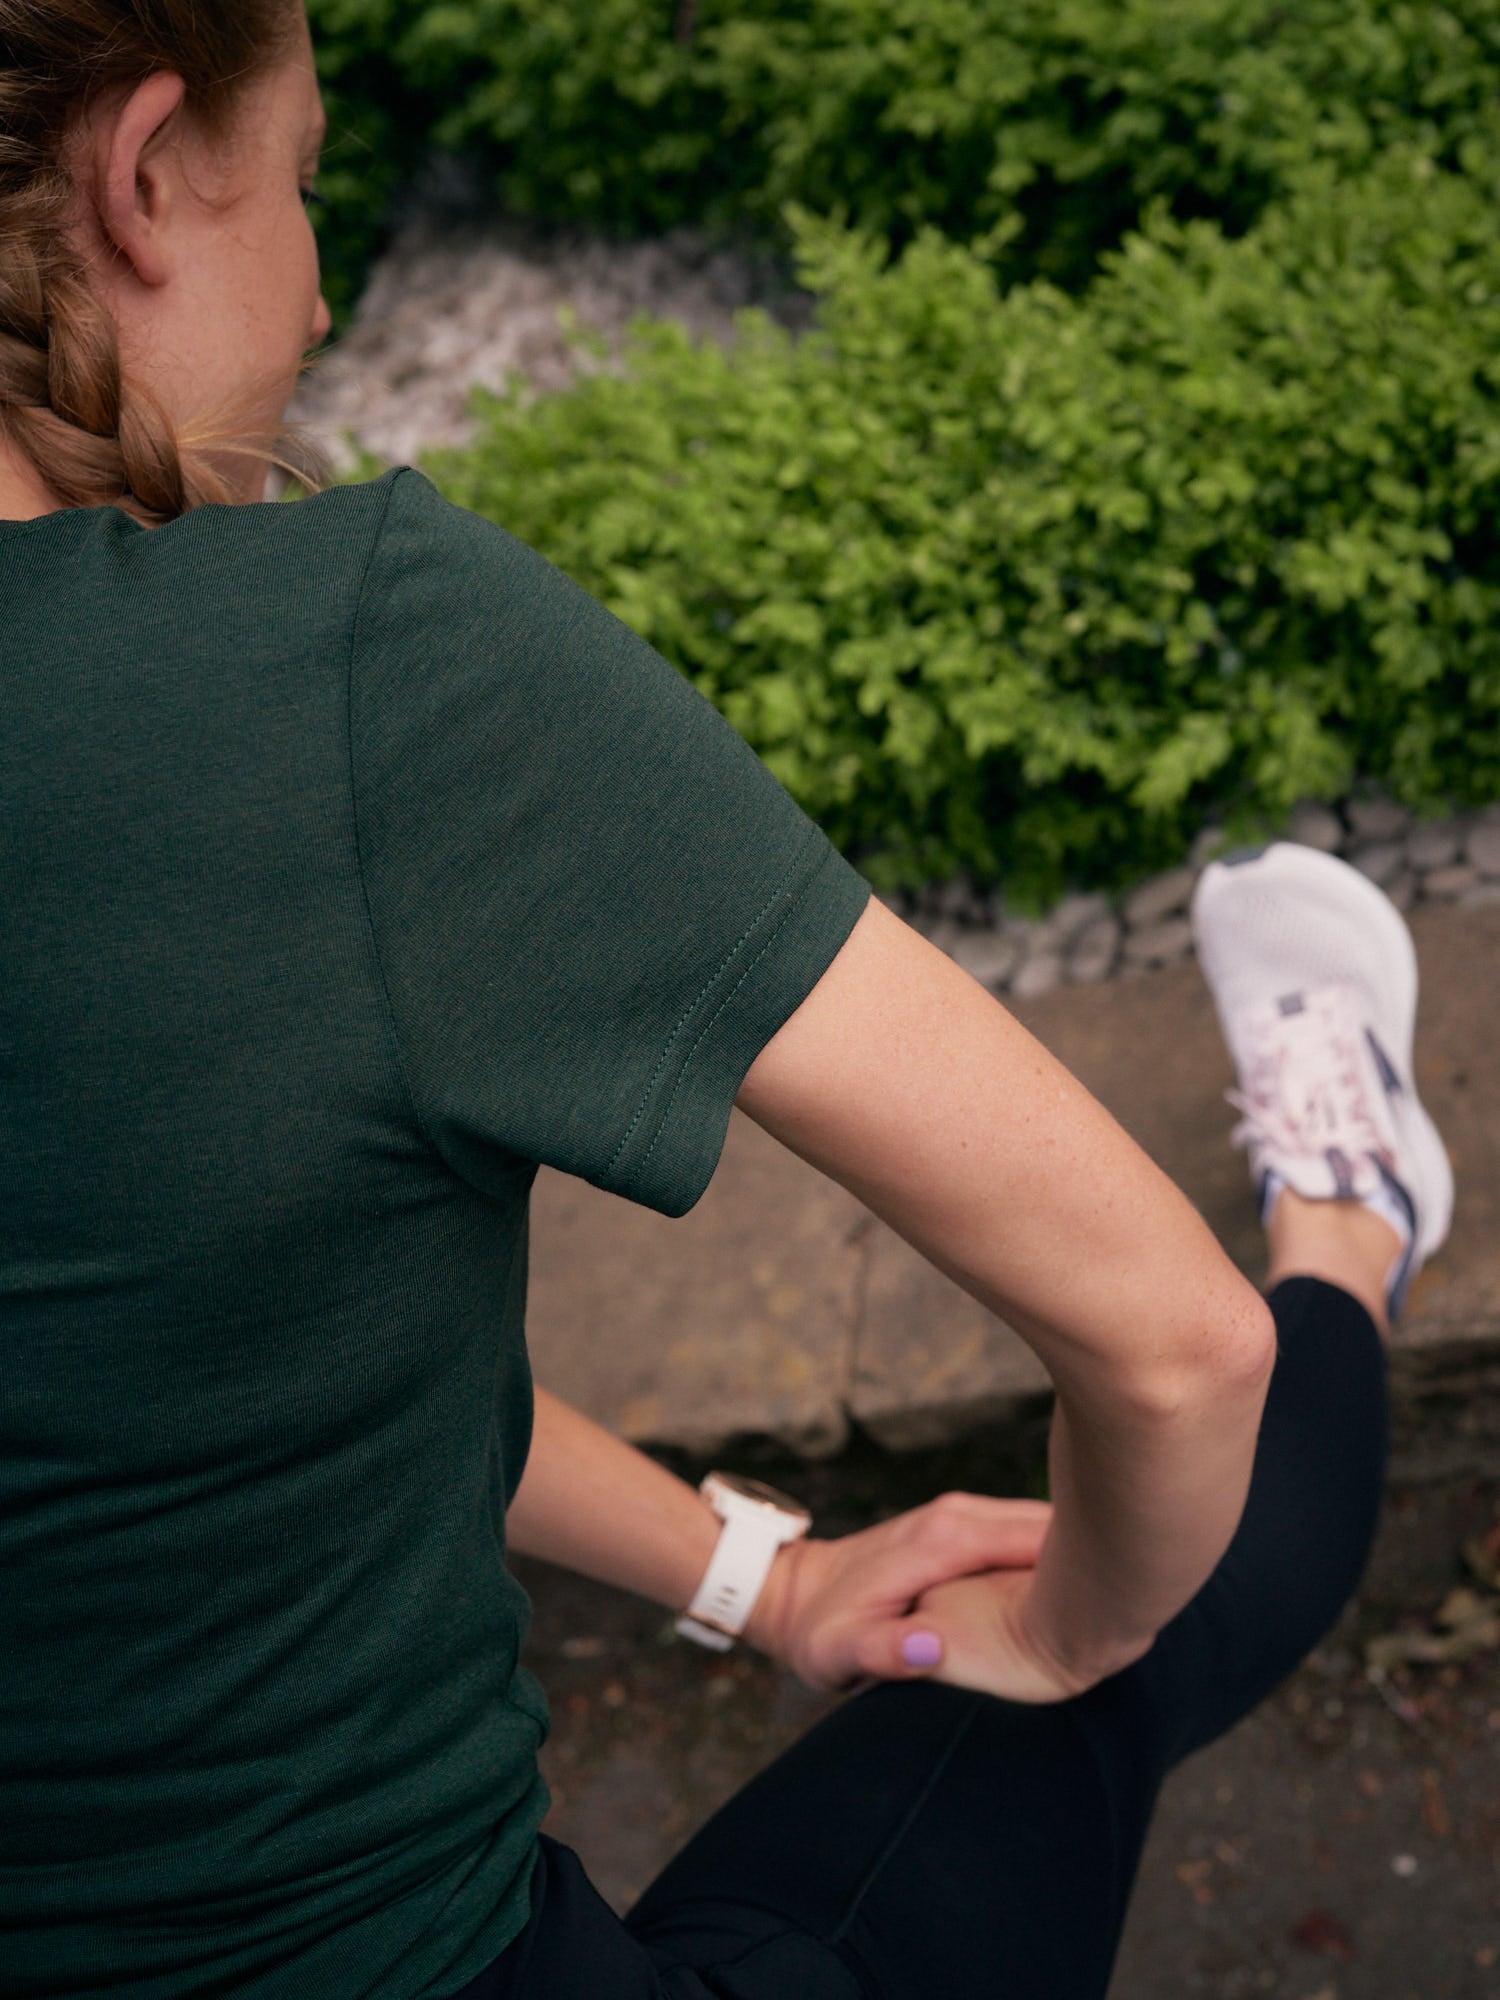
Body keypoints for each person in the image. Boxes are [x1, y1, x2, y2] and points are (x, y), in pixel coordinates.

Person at [0, 6, 1454, 1997]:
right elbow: (1170, 1352)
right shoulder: (356, 670)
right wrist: (1090, 1635)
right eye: (313, 176)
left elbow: (220, 1359)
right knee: (1104, 1581)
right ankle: (1354, 1202)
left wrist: (762, 1573)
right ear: (145, 171)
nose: (327, 293)